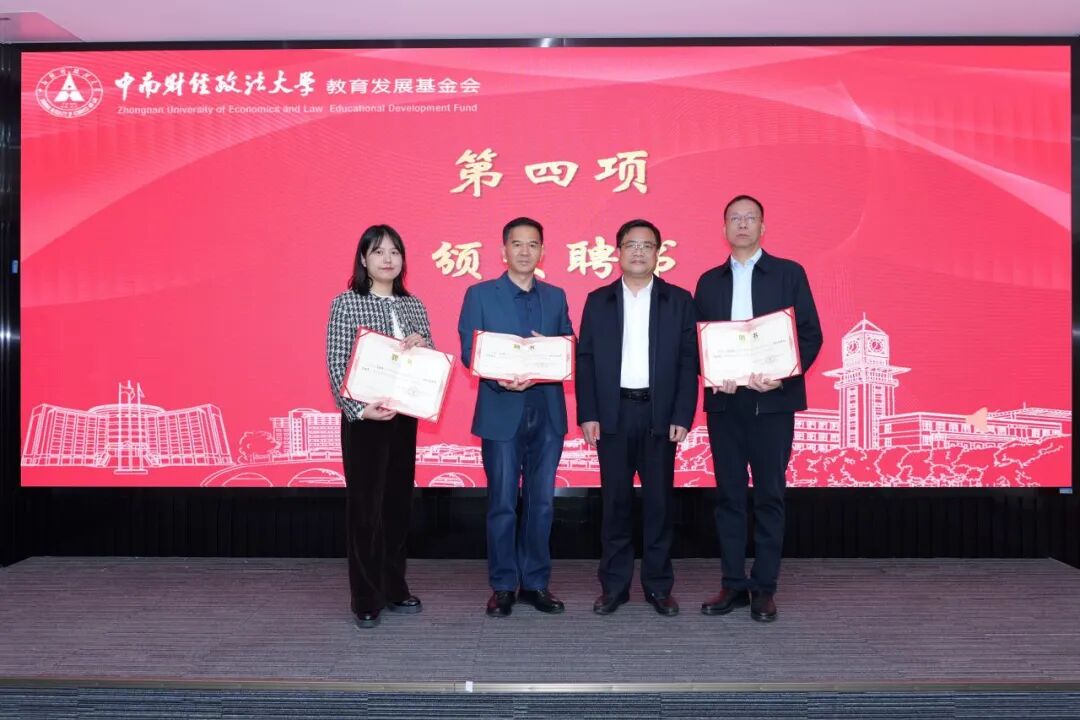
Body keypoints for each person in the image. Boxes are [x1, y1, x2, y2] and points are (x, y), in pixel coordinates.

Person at [693, 195, 823, 622]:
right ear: (724, 229)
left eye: (750, 218)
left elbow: (810, 334)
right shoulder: (708, 282)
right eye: (735, 218)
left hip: (773, 402)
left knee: (769, 495)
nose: (743, 224)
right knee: (729, 496)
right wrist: (714, 373)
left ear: (763, 227)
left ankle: (764, 587)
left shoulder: (789, 274)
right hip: (726, 403)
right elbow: (697, 342)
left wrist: (783, 375)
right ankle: (732, 584)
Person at [576, 219, 698, 617]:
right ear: (618, 252)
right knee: (615, 504)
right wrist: (588, 413)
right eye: (631, 245)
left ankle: (659, 586)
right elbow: (585, 359)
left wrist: (682, 413)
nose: (639, 252)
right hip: (613, 414)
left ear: (658, 252)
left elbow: (688, 361)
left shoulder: (678, 300)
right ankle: (614, 586)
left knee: (659, 503)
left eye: (647, 245)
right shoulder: (598, 300)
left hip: (659, 414)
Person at [458, 217, 575, 617]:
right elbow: (470, 351)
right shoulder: (479, 294)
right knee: (503, 503)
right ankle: (504, 585)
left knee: (542, 504)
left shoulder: (556, 296)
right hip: (500, 410)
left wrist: (555, 349)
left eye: (533, 244)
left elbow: (570, 345)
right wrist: (500, 378)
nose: (525, 251)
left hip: (547, 412)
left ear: (543, 251)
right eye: (517, 244)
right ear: (503, 250)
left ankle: (536, 583)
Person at [326, 224, 434, 629]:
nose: (387, 259)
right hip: (366, 420)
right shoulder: (346, 303)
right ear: (363, 259)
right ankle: (365, 596)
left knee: (397, 506)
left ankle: (394, 586)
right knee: (366, 510)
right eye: (378, 252)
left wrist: (423, 346)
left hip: (404, 417)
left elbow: (429, 362)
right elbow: (336, 363)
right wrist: (358, 409)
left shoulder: (414, 305)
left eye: (394, 252)